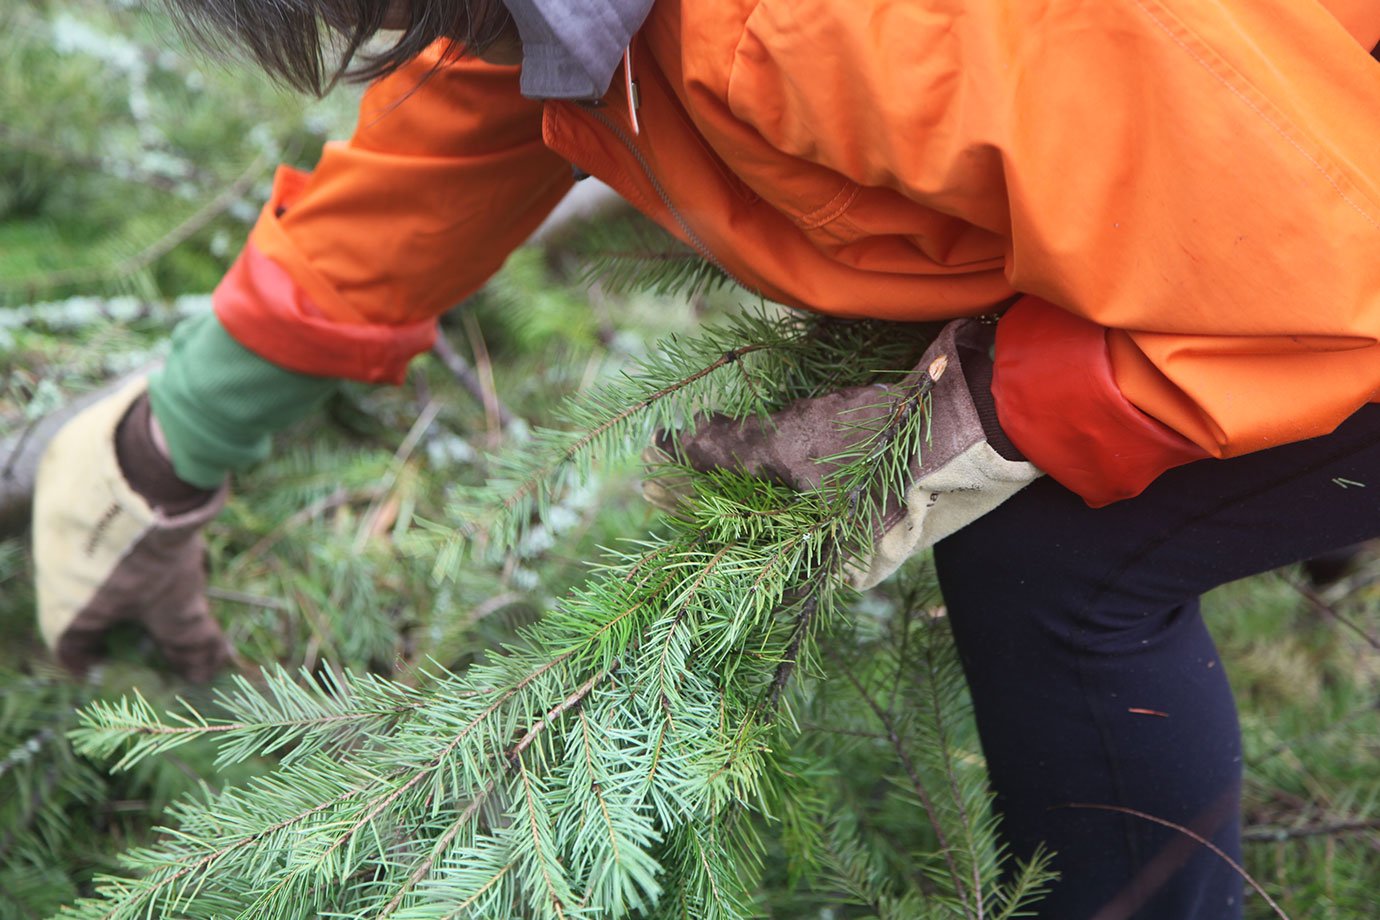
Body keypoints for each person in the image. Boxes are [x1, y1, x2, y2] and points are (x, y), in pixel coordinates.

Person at [30, 1, 1380, 916]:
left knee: (1058, 562)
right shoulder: (589, 17)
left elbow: (1338, 263)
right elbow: (473, 102)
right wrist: (169, 439)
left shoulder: (837, 27)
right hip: (1295, 184)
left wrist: (985, 407)